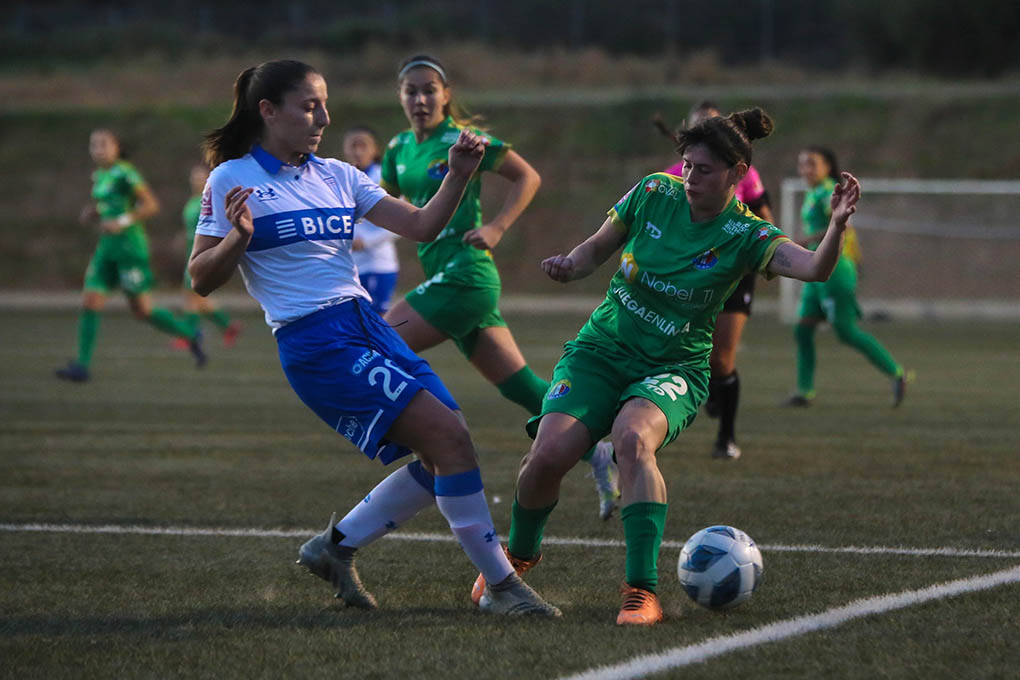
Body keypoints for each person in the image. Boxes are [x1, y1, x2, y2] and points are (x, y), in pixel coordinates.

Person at [189, 59, 559, 617]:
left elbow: (421, 226)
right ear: (268, 111)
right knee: (450, 438)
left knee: (446, 450)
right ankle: (503, 587)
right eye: (309, 105)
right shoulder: (232, 179)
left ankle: (334, 550)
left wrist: (457, 173)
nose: (324, 117)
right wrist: (237, 240)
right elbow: (200, 279)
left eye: (324, 104)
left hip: (365, 323)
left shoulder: (337, 174)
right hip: (316, 342)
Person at [471, 108, 862, 626]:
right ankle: (518, 556)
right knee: (548, 454)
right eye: (686, 165)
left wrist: (835, 225)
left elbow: (814, 268)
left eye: (702, 170)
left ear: (736, 174)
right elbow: (595, 249)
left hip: (673, 367)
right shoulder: (655, 191)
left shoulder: (746, 235)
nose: (689, 177)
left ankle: (640, 592)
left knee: (633, 440)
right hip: (600, 350)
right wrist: (570, 265)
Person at [381, 54, 619, 519]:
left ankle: (428, 440)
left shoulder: (463, 141)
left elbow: (527, 176)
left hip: (467, 275)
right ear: (400, 97)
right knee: (523, 387)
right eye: (411, 90)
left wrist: (497, 227)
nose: (420, 98)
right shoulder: (396, 148)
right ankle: (599, 451)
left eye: (430, 89)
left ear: (446, 95)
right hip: (445, 280)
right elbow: (386, 204)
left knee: (382, 341)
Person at [657, 100, 777, 460]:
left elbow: (765, 218)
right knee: (685, 353)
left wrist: (769, 249)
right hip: (689, 273)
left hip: (732, 271)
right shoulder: (670, 176)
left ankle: (726, 436)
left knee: (723, 359)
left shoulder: (745, 175)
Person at [56, 129, 206, 382]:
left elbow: (150, 205)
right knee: (90, 300)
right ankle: (81, 366)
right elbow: (111, 206)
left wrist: (122, 221)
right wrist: (95, 213)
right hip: (107, 248)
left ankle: (191, 335)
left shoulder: (126, 173)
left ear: (117, 147)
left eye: (104, 144)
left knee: (143, 310)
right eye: (94, 145)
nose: (98, 149)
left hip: (129, 249)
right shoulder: (101, 175)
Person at [784, 146, 908, 407]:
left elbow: (843, 225)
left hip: (834, 270)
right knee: (803, 329)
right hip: (815, 269)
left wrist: (802, 240)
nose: (805, 169)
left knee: (846, 332)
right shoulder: (814, 192)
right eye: (802, 164)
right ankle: (804, 391)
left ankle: (896, 373)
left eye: (812, 164)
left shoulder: (830, 190)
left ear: (828, 166)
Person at [175, 163, 243, 348]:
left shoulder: (211, 199)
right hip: (191, 249)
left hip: (202, 251)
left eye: (200, 177)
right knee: (195, 297)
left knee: (192, 294)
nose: (196, 181)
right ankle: (227, 326)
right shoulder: (192, 201)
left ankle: (189, 334)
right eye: (193, 177)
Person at [342, 126, 400, 314]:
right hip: (349, 266)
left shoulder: (386, 179)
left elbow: (400, 224)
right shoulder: (340, 179)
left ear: (375, 149)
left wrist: (366, 241)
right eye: (353, 145)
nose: (358, 151)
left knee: (376, 323)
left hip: (378, 263)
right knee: (354, 324)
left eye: (363, 145)